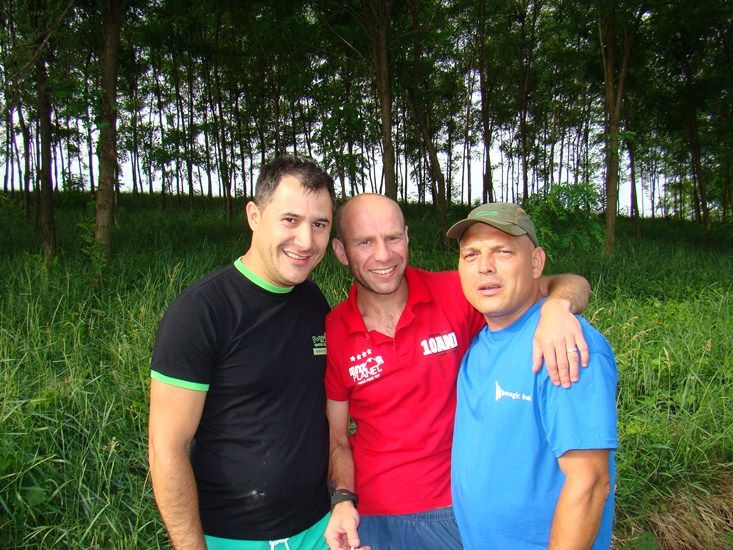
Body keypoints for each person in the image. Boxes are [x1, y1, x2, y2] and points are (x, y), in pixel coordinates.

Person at [323, 193, 593, 550]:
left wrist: (558, 307)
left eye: (392, 238)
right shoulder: (334, 328)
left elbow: (568, 282)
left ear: (407, 237)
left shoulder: (456, 291)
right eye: (365, 242)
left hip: (454, 509)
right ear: (341, 251)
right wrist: (343, 500)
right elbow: (338, 438)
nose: (384, 255)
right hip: (370, 516)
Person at [148, 156, 348, 550]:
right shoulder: (201, 312)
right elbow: (166, 449)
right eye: (290, 220)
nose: (306, 241)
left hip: (317, 530)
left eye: (319, 224)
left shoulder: (312, 300)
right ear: (254, 216)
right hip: (232, 537)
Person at [448, 203, 617, 549]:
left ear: (536, 262)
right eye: (471, 254)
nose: (485, 266)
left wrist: (558, 305)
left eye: (503, 252)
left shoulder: (562, 343)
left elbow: (589, 483)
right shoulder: (478, 344)